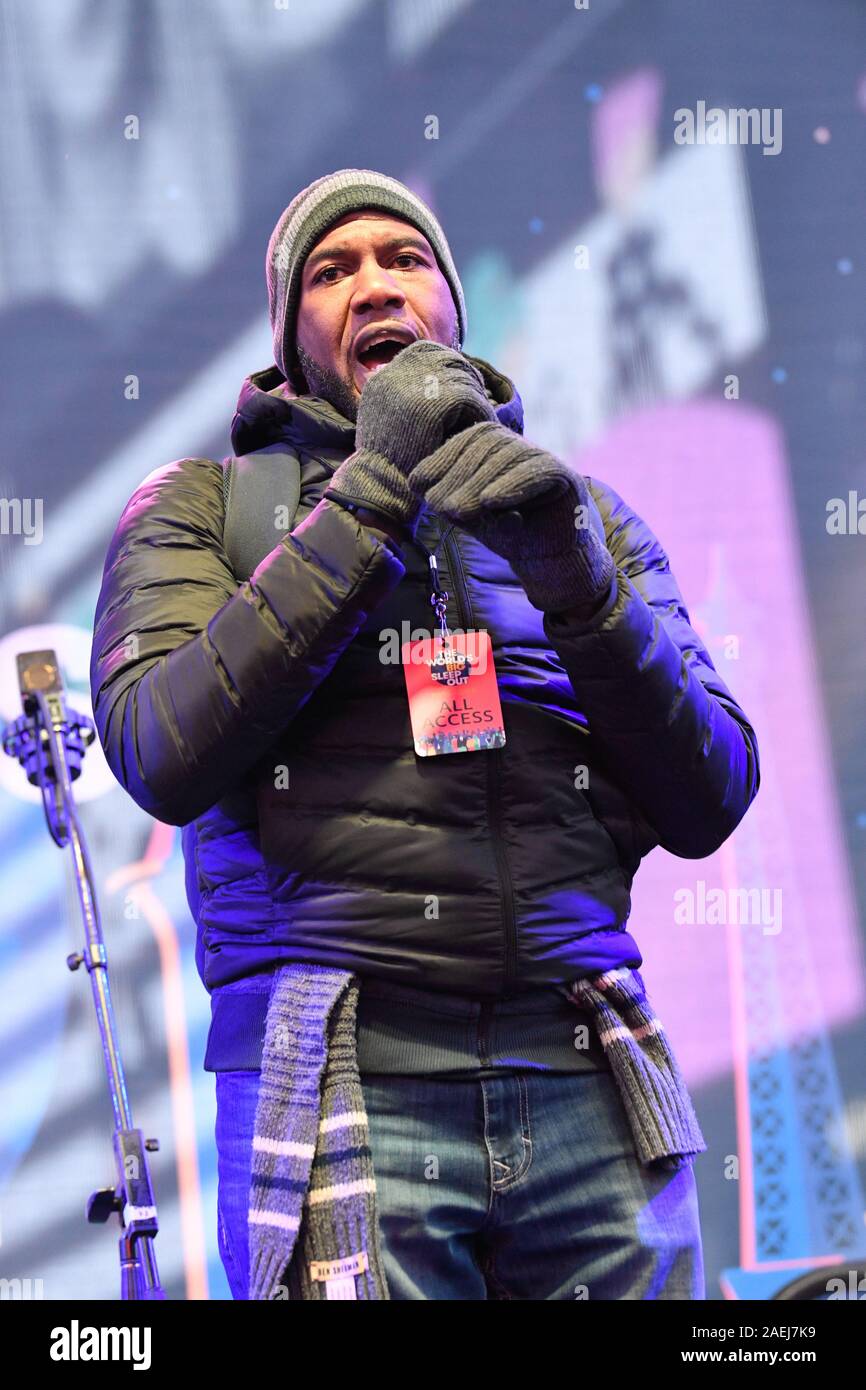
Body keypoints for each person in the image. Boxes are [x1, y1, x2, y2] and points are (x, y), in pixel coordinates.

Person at [89, 168, 760, 1300]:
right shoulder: (203, 504)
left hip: (584, 1064)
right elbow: (160, 748)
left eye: (403, 260)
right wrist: (365, 503)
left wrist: (578, 585)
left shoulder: (583, 512)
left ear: (451, 306)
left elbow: (711, 794)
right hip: (349, 1065)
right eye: (331, 270)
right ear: (292, 337)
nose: (372, 287)